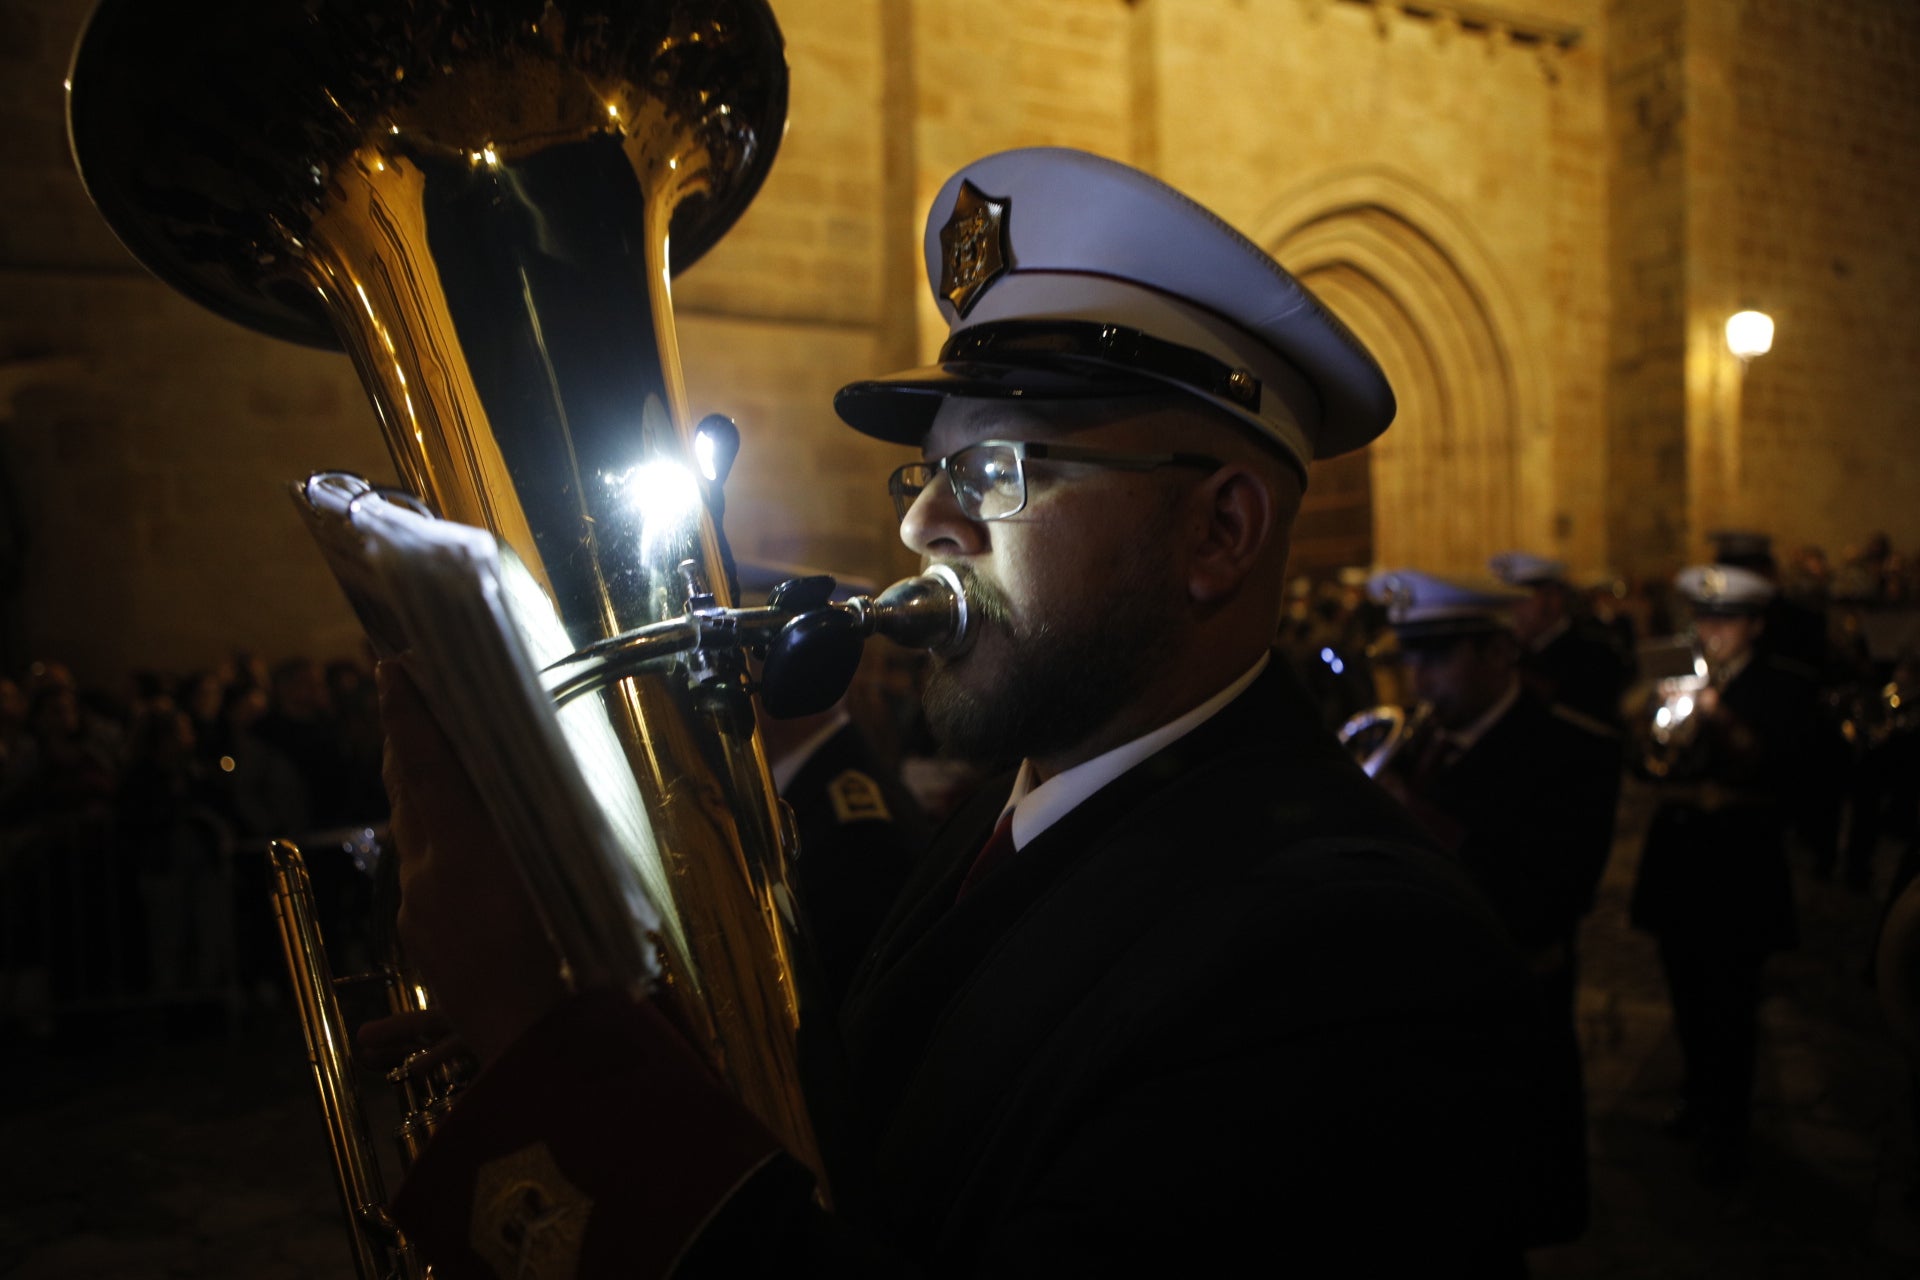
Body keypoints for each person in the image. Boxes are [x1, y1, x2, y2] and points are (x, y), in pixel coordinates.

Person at [375, 147, 1571, 1276]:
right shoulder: (1023, 809)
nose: (921, 525)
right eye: (928, 472)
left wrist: (537, 1042)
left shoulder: (1353, 957)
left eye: (994, 467)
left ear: (1220, 531)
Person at [1367, 568, 1623, 1238]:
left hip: (1504, 1025)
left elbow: (1549, 900)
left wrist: (1411, 815)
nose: (1419, 680)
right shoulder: (1420, 742)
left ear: (1500, 652)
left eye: (1439, 657)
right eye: (1410, 658)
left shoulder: (1573, 750)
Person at [1629, 563, 1815, 1185]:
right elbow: (1647, 762)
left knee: (1732, 998)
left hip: (1740, 861)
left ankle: (1728, 1117)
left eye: (1726, 621)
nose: (1712, 632)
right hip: (1680, 854)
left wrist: (1721, 716)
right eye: (1704, 619)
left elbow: (1786, 764)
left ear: (1755, 625)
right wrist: (1656, 722)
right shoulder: (1680, 675)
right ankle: (1695, 1092)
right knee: (1683, 986)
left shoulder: (1780, 685)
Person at [1489, 550, 1632, 727]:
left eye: (1519, 600)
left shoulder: (1592, 653)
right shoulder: (1516, 654)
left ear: (1552, 599)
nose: (1511, 611)